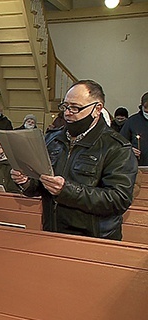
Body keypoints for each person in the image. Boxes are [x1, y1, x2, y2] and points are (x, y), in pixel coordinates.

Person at [11, 80, 137, 240]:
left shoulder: (116, 147)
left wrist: (66, 190)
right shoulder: (52, 138)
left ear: (97, 109)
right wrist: (25, 181)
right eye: (65, 107)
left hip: (94, 239)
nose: (67, 113)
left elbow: (119, 200)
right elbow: (40, 185)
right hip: (52, 232)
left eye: (75, 108)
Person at [120, 92, 148, 165]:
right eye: (146, 109)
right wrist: (129, 150)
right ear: (141, 106)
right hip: (139, 166)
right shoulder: (132, 121)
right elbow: (119, 143)